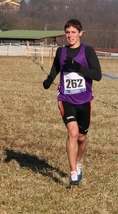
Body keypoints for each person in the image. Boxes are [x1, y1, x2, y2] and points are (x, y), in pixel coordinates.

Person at [42, 19, 102, 185]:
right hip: (65, 98)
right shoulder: (61, 52)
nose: (70, 36)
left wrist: (78, 67)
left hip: (84, 100)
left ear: (80, 33)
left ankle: (78, 162)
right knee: (73, 132)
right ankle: (73, 172)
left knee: (82, 138)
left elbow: (97, 75)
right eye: (67, 33)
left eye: (73, 32)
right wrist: (49, 79)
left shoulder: (87, 51)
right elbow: (56, 67)